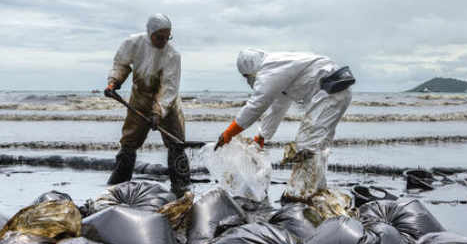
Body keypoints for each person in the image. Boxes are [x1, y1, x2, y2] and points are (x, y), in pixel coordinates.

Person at [215, 49, 355, 201]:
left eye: (246, 76)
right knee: (318, 145)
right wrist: (262, 135)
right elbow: (278, 106)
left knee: (308, 142)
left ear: (251, 70)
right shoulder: (278, 66)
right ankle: (317, 191)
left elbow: (256, 105)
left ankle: (302, 195)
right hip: (336, 90)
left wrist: (229, 133)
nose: (248, 80)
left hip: (331, 90)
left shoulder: (269, 71)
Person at [104, 13, 190, 196]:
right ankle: (117, 185)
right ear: (150, 32)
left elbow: (169, 86)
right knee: (129, 142)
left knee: (176, 142)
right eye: (160, 37)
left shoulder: (172, 54)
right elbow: (121, 63)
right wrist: (114, 82)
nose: (164, 41)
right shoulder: (133, 43)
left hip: (168, 102)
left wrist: (158, 112)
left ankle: (181, 185)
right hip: (139, 98)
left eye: (168, 37)